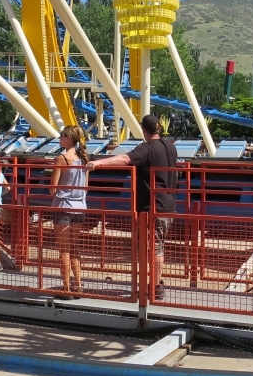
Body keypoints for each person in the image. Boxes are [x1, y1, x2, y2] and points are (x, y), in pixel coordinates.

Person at [87, 115, 177, 299]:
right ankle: (154, 285)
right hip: (168, 204)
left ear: (144, 130)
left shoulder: (147, 148)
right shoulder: (171, 147)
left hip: (151, 206)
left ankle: (153, 286)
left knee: (150, 247)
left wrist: (99, 162)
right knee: (158, 245)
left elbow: (125, 159)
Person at [50, 125, 88, 296]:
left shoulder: (62, 158)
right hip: (80, 207)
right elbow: (86, 186)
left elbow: (53, 188)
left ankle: (66, 288)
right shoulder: (84, 159)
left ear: (69, 138)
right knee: (74, 247)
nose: (60, 137)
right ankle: (79, 284)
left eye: (62, 135)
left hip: (63, 206)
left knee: (64, 249)